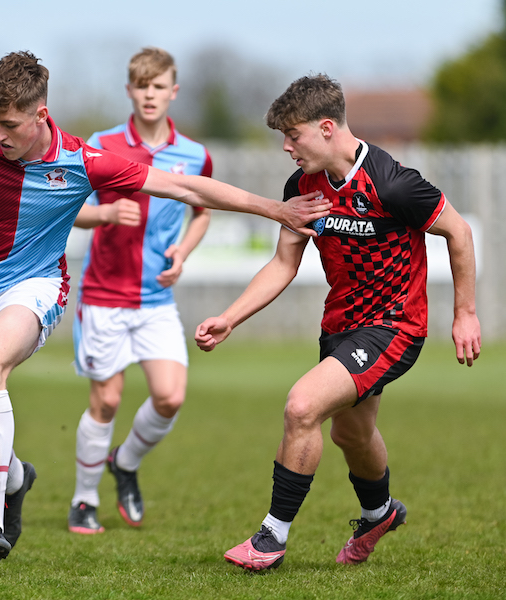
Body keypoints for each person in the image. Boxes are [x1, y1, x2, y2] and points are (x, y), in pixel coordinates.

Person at [0, 51, 331, 565]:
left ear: (41, 114)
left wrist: (274, 208)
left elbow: (184, 186)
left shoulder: (81, 161)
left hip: (36, 288)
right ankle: (15, 480)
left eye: (9, 124)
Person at [194, 74, 482, 572]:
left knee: (302, 406)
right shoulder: (301, 187)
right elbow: (283, 263)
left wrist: (465, 313)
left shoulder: (392, 183)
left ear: (326, 128)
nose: (286, 147)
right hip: (341, 327)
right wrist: (229, 318)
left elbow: (458, 232)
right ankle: (379, 513)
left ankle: (270, 538)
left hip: (395, 326)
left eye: (293, 135)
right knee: (351, 434)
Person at [68, 47, 212, 535]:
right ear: (129, 90)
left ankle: (125, 462)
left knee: (170, 397)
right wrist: (105, 213)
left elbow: (202, 212)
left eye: (159, 86)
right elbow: (69, 207)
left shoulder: (194, 155)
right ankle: (84, 500)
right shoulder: (101, 145)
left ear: (174, 91)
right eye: (142, 86)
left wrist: (183, 251)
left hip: (156, 299)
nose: (150, 94)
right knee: (106, 401)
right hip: (104, 296)